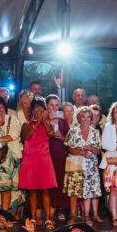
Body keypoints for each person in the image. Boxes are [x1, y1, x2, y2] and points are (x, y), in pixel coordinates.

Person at [19, 96, 59, 229]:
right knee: (33, 191)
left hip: (44, 160)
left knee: (46, 190)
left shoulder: (47, 124)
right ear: (32, 109)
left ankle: (48, 219)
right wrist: (36, 123)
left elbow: (51, 134)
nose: (39, 109)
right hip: (30, 160)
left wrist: (44, 121)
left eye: (41, 107)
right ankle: (34, 219)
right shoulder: (26, 125)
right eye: (37, 107)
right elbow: (27, 136)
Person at [64, 106, 103, 223]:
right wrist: (82, 152)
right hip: (76, 165)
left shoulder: (95, 132)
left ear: (91, 118)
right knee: (73, 192)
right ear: (79, 118)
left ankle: (87, 216)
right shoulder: (73, 131)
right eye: (83, 117)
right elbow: (69, 148)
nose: (85, 119)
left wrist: (91, 148)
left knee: (89, 192)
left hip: (91, 167)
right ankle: (72, 216)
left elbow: (98, 150)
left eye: (88, 117)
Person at [46, 94, 71, 222]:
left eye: (56, 105)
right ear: (46, 106)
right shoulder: (43, 119)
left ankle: (60, 209)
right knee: (47, 183)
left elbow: (69, 138)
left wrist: (61, 137)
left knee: (60, 181)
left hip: (59, 153)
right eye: (51, 105)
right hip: (45, 154)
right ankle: (47, 209)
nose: (54, 108)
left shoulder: (62, 120)